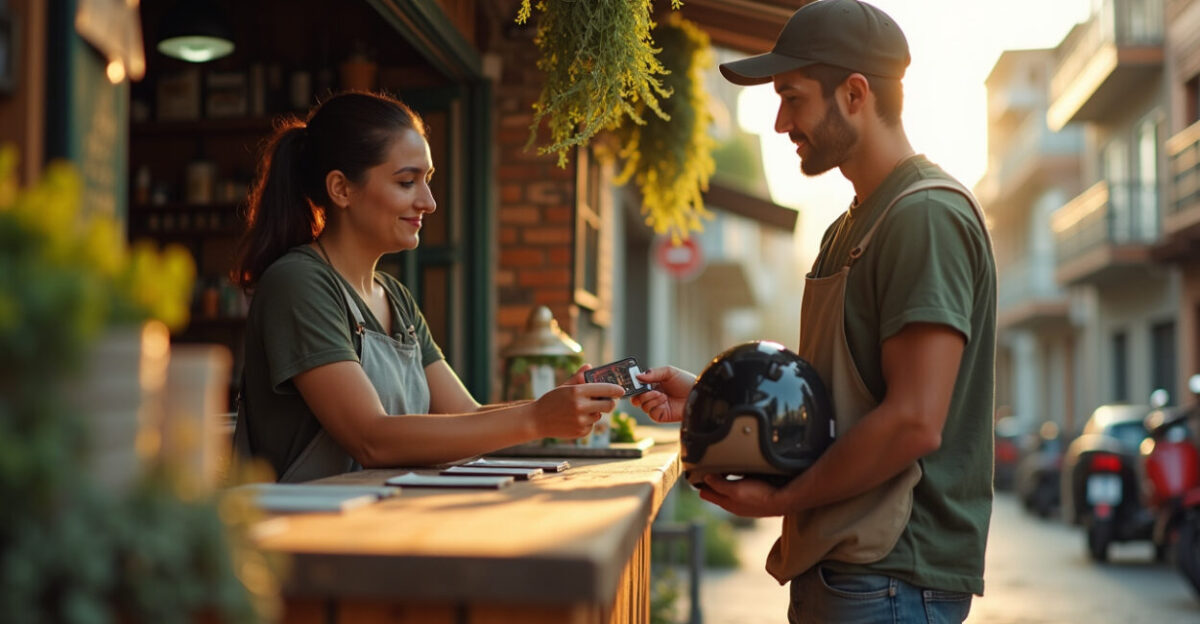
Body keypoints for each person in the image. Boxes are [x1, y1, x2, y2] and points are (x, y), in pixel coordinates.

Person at [632, 1, 996, 621]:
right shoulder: (848, 227)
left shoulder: (924, 217)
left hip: (891, 578)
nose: (780, 123)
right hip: (847, 569)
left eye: (792, 98)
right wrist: (714, 401)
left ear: (854, 94)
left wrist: (783, 499)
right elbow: (833, 406)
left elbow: (913, 421)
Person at [230, 91, 624, 483]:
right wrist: (536, 418)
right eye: (407, 182)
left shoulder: (395, 297)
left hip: (382, 513)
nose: (429, 202)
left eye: (427, 180)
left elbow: (467, 416)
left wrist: (552, 405)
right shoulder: (298, 283)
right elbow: (371, 439)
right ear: (341, 189)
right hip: (304, 521)